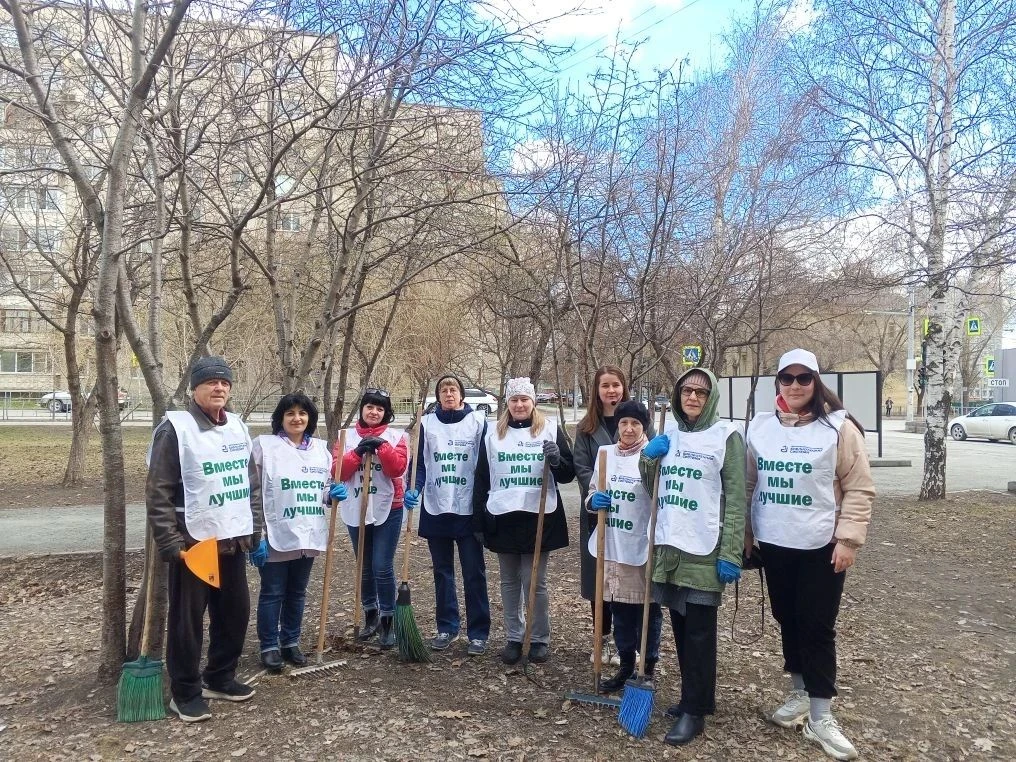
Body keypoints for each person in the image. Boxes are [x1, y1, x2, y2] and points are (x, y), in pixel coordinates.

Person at [745, 349, 874, 761]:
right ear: (778, 383)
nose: (795, 385)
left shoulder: (839, 428)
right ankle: (799, 692)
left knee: (817, 627)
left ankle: (821, 716)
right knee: (788, 618)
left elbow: (858, 487)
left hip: (822, 546)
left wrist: (848, 540)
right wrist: (746, 537)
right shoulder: (761, 428)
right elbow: (749, 484)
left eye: (804, 378)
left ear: (816, 383)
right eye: (788, 378)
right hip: (775, 543)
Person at [146, 356, 264, 723]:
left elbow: (250, 484)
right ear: (194, 388)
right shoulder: (175, 431)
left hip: (232, 538)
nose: (219, 388)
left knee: (234, 612)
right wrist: (169, 542)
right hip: (192, 543)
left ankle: (220, 677)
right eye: (211, 382)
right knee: (187, 621)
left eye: (225, 383)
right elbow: (158, 491)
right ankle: (184, 692)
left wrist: (255, 527)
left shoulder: (237, 428)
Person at [639, 367, 746, 746]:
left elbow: (736, 499)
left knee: (700, 631)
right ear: (677, 395)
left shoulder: (727, 437)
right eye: (687, 391)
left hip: (706, 547)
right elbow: (653, 488)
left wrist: (731, 552)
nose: (693, 397)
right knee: (682, 626)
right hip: (672, 546)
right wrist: (647, 459)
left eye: (701, 392)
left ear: (711, 396)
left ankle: (694, 712)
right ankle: (695, 697)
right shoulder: (670, 434)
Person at [472, 377, 575, 665]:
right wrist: (478, 521)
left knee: (534, 581)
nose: (519, 405)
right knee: (508, 581)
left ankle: (539, 637)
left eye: (524, 399)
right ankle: (514, 637)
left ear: (533, 402)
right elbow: (482, 478)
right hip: (503, 516)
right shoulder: (493, 433)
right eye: (514, 400)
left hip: (538, 515)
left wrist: (557, 459)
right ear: (508, 403)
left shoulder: (550, 429)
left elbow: (567, 474)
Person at [250, 393, 346, 672]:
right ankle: (269, 646)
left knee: (297, 592)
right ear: (280, 418)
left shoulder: (320, 450)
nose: (297, 418)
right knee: (272, 592)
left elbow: (322, 488)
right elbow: (252, 491)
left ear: (310, 418)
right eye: (290, 413)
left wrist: (332, 494)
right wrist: (256, 534)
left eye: (302, 413)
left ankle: (290, 642)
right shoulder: (264, 447)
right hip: (275, 533)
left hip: (308, 533)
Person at [404, 375, 491, 656]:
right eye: (444, 389)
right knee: (442, 572)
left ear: (462, 395)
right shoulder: (427, 424)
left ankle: (478, 632)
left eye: (453, 389)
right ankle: (447, 626)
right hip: (436, 506)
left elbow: (486, 464)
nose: (449, 393)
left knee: (474, 572)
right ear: (438, 396)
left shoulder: (478, 422)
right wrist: (414, 488)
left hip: (468, 508)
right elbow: (420, 464)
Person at [584, 400, 662, 693]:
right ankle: (626, 664)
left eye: (636, 424)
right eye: (624, 423)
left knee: (646, 609)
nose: (629, 429)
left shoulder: (653, 456)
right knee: (618, 607)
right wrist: (593, 501)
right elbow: (593, 491)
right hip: (611, 543)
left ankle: (647, 667)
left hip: (640, 545)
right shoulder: (605, 454)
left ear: (644, 427)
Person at [336, 387, 408, 649]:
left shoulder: (397, 436)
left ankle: (388, 619)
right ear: (362, 409)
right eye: (370, 406)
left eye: (379, 408)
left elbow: (397, 468)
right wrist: (357, 453)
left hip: (389, 507)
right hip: (357, 504)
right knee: (364, 565)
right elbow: (337, 471)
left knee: (381, 565)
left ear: (386, 412)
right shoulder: (346, 436)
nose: (374, 412)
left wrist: (382, 447)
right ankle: (370, 614)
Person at [572, 365, 626, 667]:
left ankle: (623, 639)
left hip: (629, 513)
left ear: (623, 387)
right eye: (605, 385)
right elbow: (581, 467)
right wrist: (594, 493)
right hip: (597, 512)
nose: (611, 391)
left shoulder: (634, 421)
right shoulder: (586, 428)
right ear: (597, 390)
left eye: (615, 385)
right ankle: (601, 637)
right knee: (598, 579)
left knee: (625, 576)